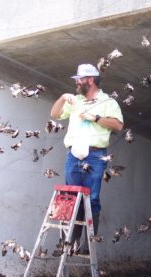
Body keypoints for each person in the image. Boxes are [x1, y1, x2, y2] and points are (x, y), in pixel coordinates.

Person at [51, 63, 123, 253]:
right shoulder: (75, 100)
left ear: (90, 80)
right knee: (71, 196)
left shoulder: (108, 102)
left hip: (96, 155)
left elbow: (118, 125)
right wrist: (62, 98)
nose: (77, 82)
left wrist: (95, 118)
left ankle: (89, 243)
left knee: (91, 197)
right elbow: (55, 114)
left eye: (79, 79)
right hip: (74, 153)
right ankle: (71, 241)